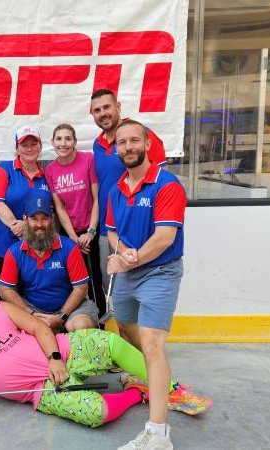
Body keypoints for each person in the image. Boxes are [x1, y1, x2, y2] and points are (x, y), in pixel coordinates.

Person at [0, 284, 151, 429]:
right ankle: (137, 393)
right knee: (97, 413)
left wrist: (55, 359)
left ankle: (168, 386)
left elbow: (38, 327)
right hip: (41, 390)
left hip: (61, 353)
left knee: (109, 342)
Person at [106, 119, 187, 450]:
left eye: (134, 141)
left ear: (148, 143)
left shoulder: (167, 185)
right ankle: (154, 378)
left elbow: (165, 238)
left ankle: (158, 433)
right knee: (125, 328)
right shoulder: (116, 189)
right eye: (122, 143)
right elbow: (112, 232)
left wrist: (128, 259)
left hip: (160, 272)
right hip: (128, 274)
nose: (128, 147)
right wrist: (121, 251)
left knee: (152, 343)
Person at [89, 89, 167, 299]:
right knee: (115, 293)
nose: (103, 113)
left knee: (146, 293)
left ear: (118, 107)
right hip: (109, 232)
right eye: (97, 110)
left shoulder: (143, 136)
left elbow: (161, 182)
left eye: (107, 107)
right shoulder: (97, 144)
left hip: (140, 230)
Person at [0, 191, 99, 331]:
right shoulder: (14, 251)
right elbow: (5, 290)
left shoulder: (69, 247)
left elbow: (81, 288)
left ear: (52, 219)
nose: (40, 224)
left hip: (70, 309)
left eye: (44, 218)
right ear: (25, 219)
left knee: (81, 326)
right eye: (34, 218)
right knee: (6, 326)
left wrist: (61, 316)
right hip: (32, 309)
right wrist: (31, 314)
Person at [44, 124, 106, 318]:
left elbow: (97, 199)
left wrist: (90, 232)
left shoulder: (88, 160)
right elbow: (60, 208)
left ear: (75, 142)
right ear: (53, 143)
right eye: (59, 139)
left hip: (91, 231)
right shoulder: (51, 169)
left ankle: (99, 324)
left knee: (95, 281)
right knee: (74, 281)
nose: (63, 143)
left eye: (68, 139)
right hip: (69, 234)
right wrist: (73, 238)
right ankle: (75, 321)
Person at [0, 125, 49, 301]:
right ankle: (2, 330)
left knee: (28, 295)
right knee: (1, 296)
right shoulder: (5, 169)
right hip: (1, 245)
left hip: (35, 247)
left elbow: (49, 209)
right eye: (24, 145)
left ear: (40, 146)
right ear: (17, 148)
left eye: (33, 144)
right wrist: (17, 225)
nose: (29, 149)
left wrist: (27, 226)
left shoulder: (46, 175)